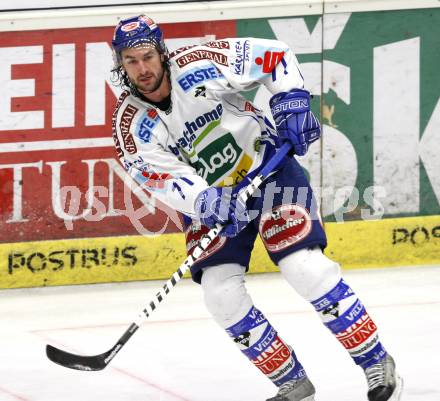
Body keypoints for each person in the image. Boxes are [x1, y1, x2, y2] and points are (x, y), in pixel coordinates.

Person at [110, 15, 403, 401]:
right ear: (121, 64)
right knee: (219, 293)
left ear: (161, 51)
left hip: (269, 172)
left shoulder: (200, 63)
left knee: (305, 268)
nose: (142, 69)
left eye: (147, 56)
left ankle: (376, 363)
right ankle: (292, 384)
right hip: (214, 203)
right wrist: (205, 199)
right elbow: (160, 177)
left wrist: (291, 100)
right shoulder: (129, 124)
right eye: (131, 60)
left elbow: (274, 57)